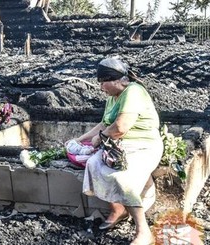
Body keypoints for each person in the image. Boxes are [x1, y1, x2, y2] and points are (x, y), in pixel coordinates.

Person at [69, 57, 162, 245]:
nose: (101, 87)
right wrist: (80, 140)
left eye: (103, 82)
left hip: (144, 146)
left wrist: (99, 140)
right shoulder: (112, 98)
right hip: (119, 146)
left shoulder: (133, 92)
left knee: (122, 178)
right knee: (93, 164)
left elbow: (120, 127)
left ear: (116, 80)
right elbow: (104, 124)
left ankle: (143, 231)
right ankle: (118, 209)